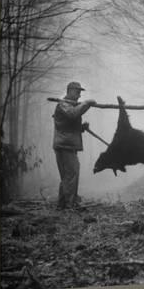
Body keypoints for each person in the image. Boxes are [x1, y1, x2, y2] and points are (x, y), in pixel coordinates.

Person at [53, 82, 96, 210]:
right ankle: (70, 205)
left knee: (68, 175)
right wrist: (87, 103)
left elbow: (68, 126)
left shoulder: (67, 106)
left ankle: (62, 205)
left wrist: (81, 128)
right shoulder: (63, 105)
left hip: (67, 145)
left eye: (79, 92)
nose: (79, 95)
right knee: (71, 174)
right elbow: (73, 114)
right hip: (64, 146)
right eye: (77, 92)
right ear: (70, 91)